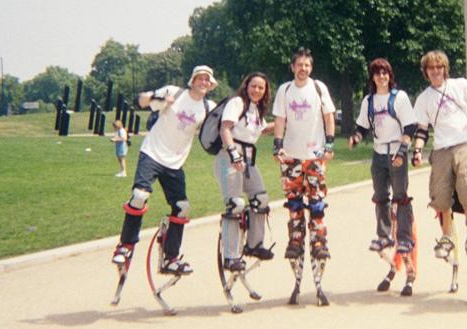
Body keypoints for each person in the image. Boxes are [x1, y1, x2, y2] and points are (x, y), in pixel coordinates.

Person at [111, 65, 218, 275]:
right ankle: (126, 245)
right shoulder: (174, 92)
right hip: (152, 152)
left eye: (207, 79)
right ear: (192, 80)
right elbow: (141, 101)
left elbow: (224, 124)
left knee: (182, 207)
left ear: (211, 84)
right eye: (200, 78)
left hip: (175, 163)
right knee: (139, 195)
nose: (203, 82)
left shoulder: (208, 107)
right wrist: (154, 98)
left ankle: (171, 257)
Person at [411, 51, 467, 259]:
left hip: (465, 143)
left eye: (439, 67)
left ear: (445, 69)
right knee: (439, 195)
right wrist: (418, 150)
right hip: (441, 148)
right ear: (426, 72)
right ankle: (447, 237)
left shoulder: (459, 85)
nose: (436, 71)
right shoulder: (423, 99)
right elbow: (422, 129)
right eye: (431, 68)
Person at [348, 58, 418, 295]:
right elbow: (362, 127)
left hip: (396, 151)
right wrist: (356, 138)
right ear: (372, 77)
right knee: (380, 196)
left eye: (385, 73)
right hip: (379, 153)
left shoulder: (399, 98)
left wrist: (403, 151)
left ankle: (405, 239)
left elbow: (410, 128)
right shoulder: (368, 101)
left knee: (400, 197)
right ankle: (383, 236)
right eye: (377, 73)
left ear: (390, 76)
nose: (381, 77)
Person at [272, 48, 337, 262]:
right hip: (291, 155)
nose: (303, 69)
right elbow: (280, 119)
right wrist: (277, 145)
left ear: (311, 67)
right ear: (292, 67)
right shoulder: (285, 89)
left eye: (307, 65)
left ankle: (319, 239)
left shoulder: (318, 88)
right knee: (294, 201)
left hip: (315, 154)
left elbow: (329, 117)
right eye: (299, 65)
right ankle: (296, 238)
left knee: (317, 200)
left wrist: (329, 144)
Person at [216, 72, 275, 272]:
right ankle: (231, 256)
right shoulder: (237, 103)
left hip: (249, 159)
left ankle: (254, 245)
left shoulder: (256, 110)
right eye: (254, 86)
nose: (257, 90)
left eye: (261, 87)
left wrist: (288, 121)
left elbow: (264, 130)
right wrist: (234, 154)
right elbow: (225, 129)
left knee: (261, 199)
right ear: (246, 86)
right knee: (236, 204)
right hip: (230, 156)